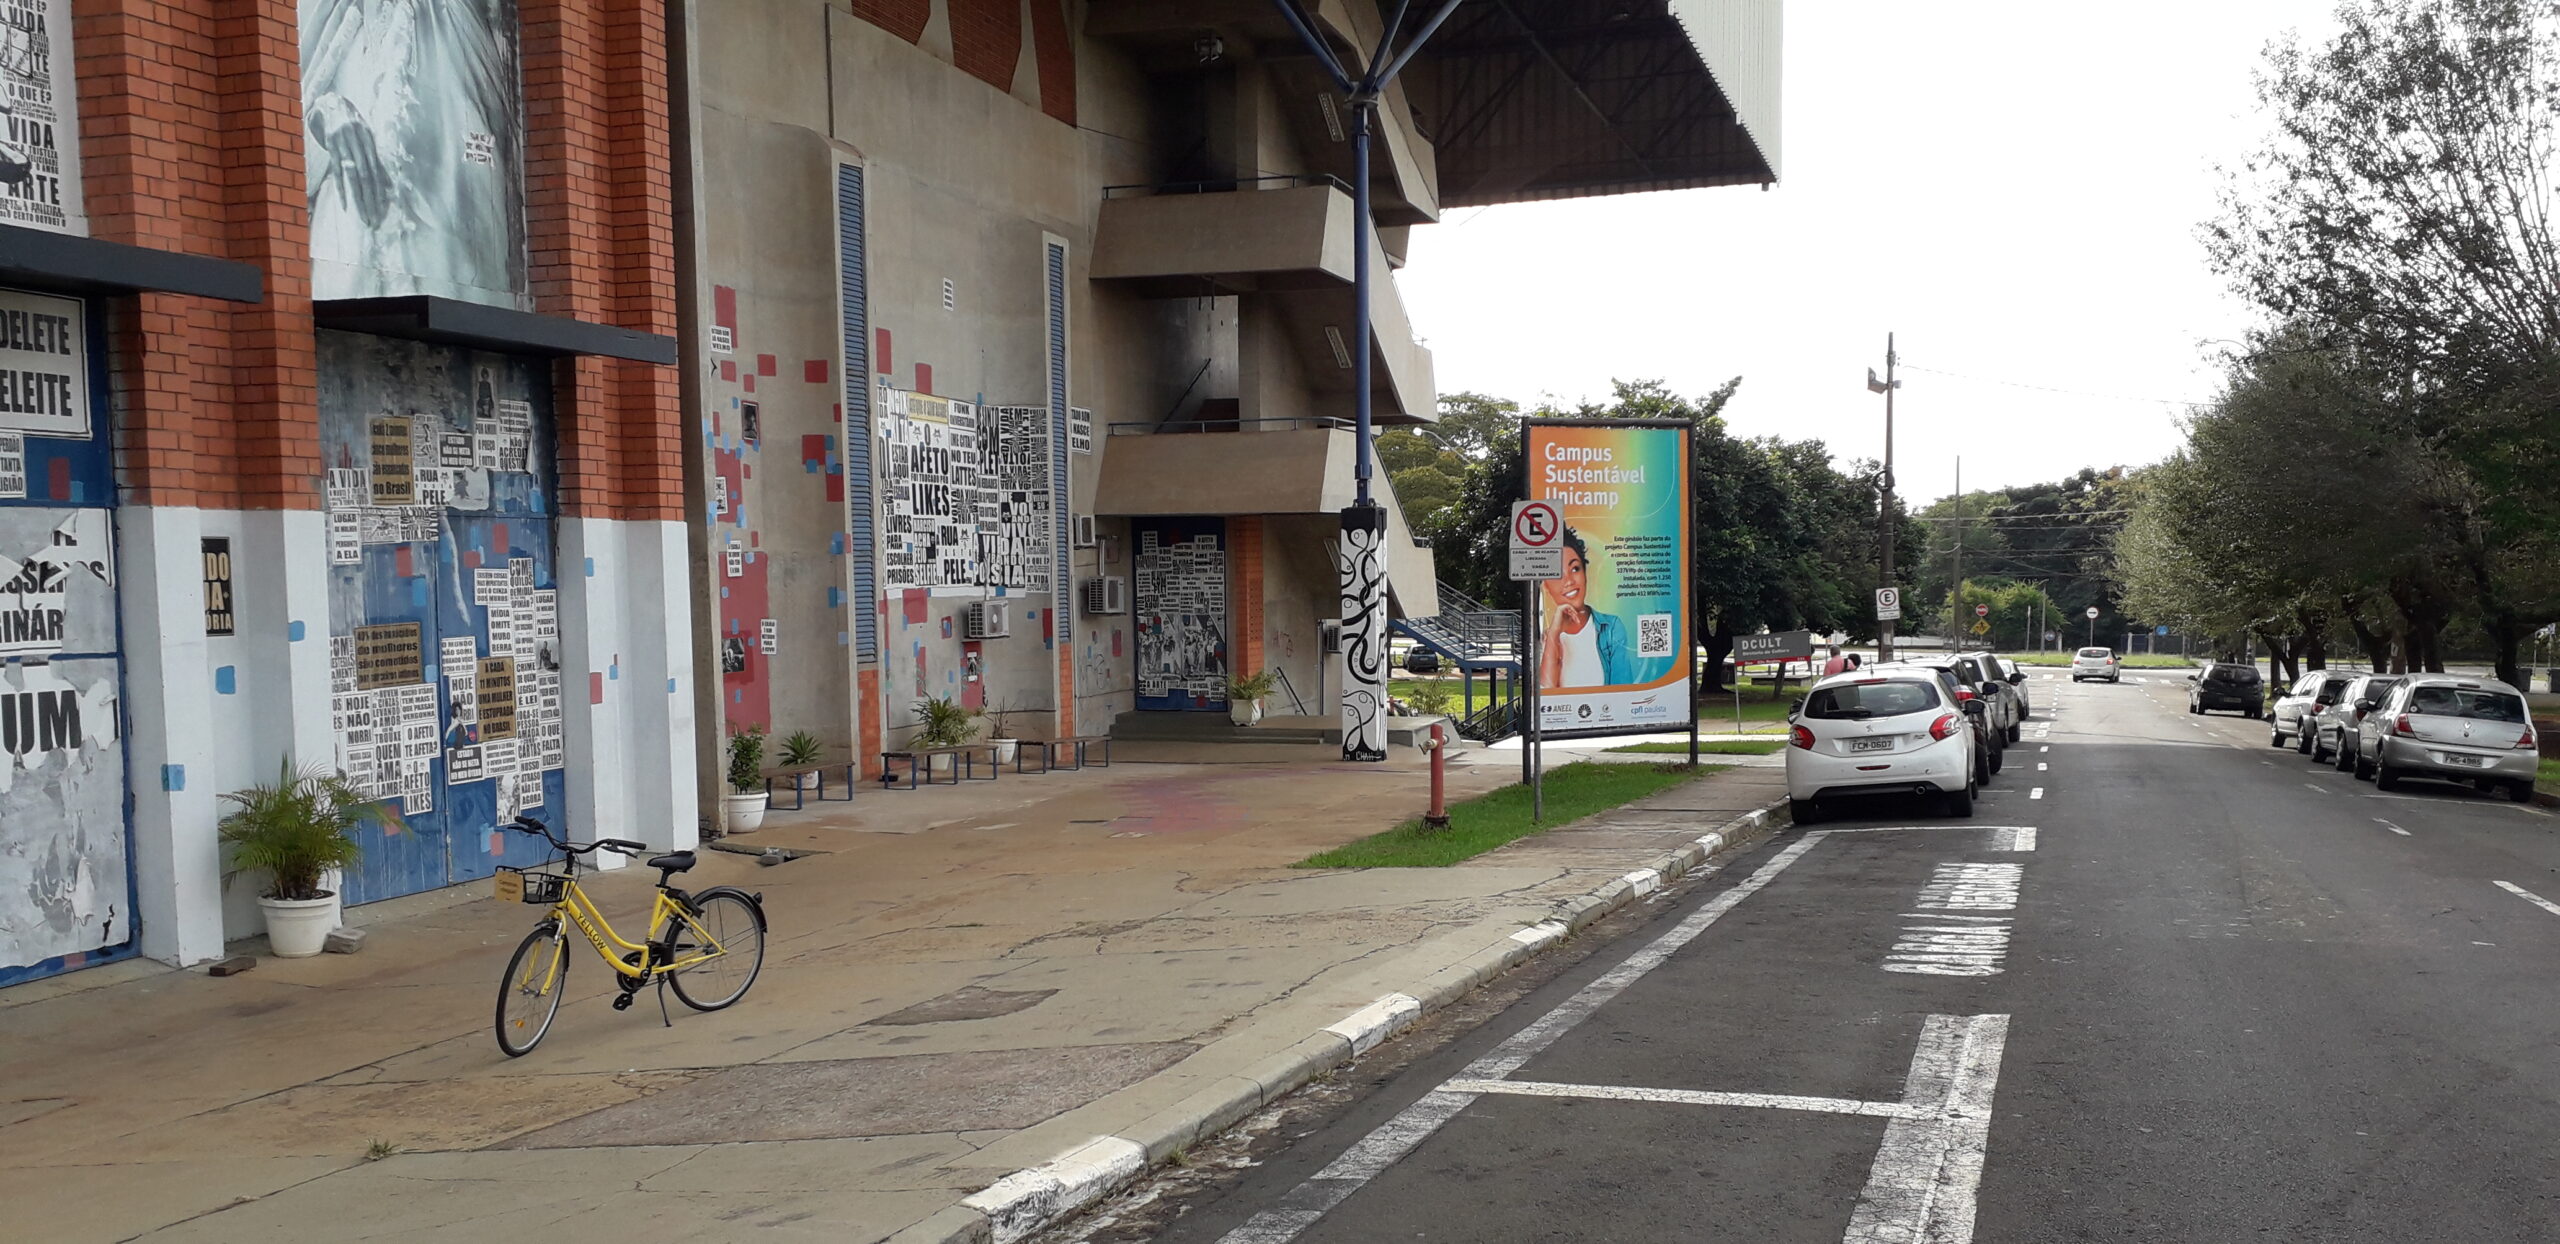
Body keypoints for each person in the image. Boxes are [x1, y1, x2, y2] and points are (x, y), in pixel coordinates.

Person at [1538, 527, 1636, 689]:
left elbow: (1622, 692)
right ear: (1546, 586)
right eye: (1557, 574)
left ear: (1585, 573)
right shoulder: (1543, 637)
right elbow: (1546, 695)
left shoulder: (1610, 628)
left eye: (1575, 568)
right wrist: (1554, 633)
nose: (1569, 581)